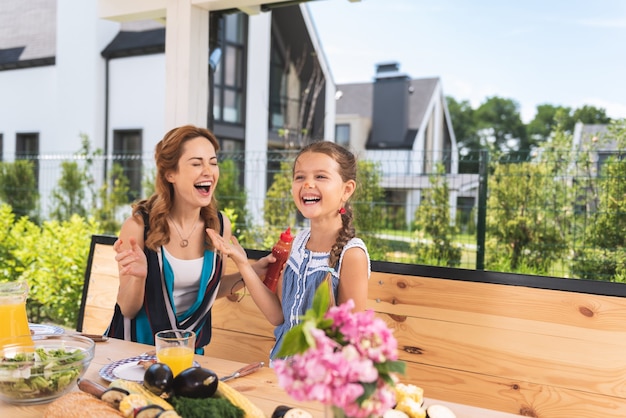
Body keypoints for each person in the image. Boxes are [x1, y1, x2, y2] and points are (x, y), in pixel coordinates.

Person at [107, 125, 271, 353]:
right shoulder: (138, 227)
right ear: (170, 173)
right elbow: (128, 309)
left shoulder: (220, 225)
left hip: (189, 355)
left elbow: (209, 290)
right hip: (133, 354)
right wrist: (138, 278)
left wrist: (254, 271)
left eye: (213, 162)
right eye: (196, 163)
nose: (208, 171)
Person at [207, 141, 370, 360]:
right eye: (300, 177)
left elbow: (352, 345)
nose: (308, 184)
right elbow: (277, 316)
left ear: (346, 190)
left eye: (320, 176)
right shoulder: (298, 243)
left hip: (319, 384)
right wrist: (243, 264)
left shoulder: (352, 255)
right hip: (281, 372)